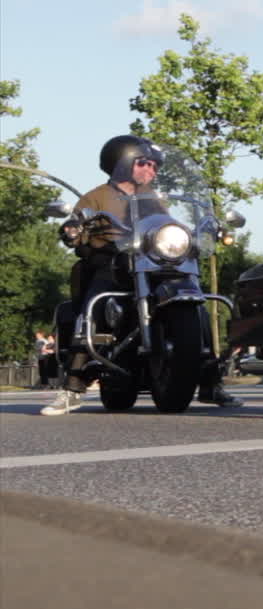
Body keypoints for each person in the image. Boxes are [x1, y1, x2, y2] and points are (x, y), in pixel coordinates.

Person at [40, 135, 242, 415]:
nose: (152, 171)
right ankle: (72, 388)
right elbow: (78, 226)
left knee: (197, 307)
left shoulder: (153, 200)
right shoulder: (96, 196)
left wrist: (198, 231)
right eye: (145, 163)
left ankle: (210, 382)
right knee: (94, 302)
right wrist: (73, 228)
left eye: (155, 166)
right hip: (112, 262)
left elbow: (169, 224)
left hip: (151, 264)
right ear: (122, 164)